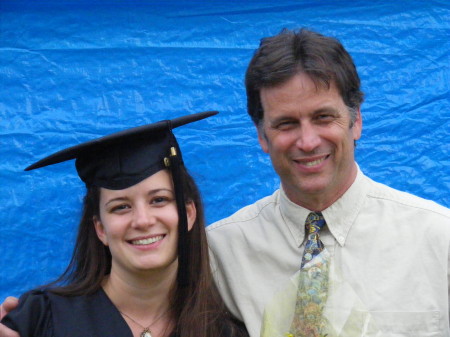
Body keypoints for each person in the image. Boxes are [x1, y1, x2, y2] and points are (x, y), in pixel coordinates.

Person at [206, 28, 450, 336]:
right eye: (286, 123)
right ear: (261, 135)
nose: (307, 141)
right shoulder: (221, 254)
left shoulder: (440, 241)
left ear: (355, 120)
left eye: (323, 117)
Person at [0, 111, 248, 337]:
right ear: (100, 229)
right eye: (121, 207)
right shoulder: (42, 320)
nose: (142, 220)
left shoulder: (222, 331)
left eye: (159, 200)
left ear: (188, 214)